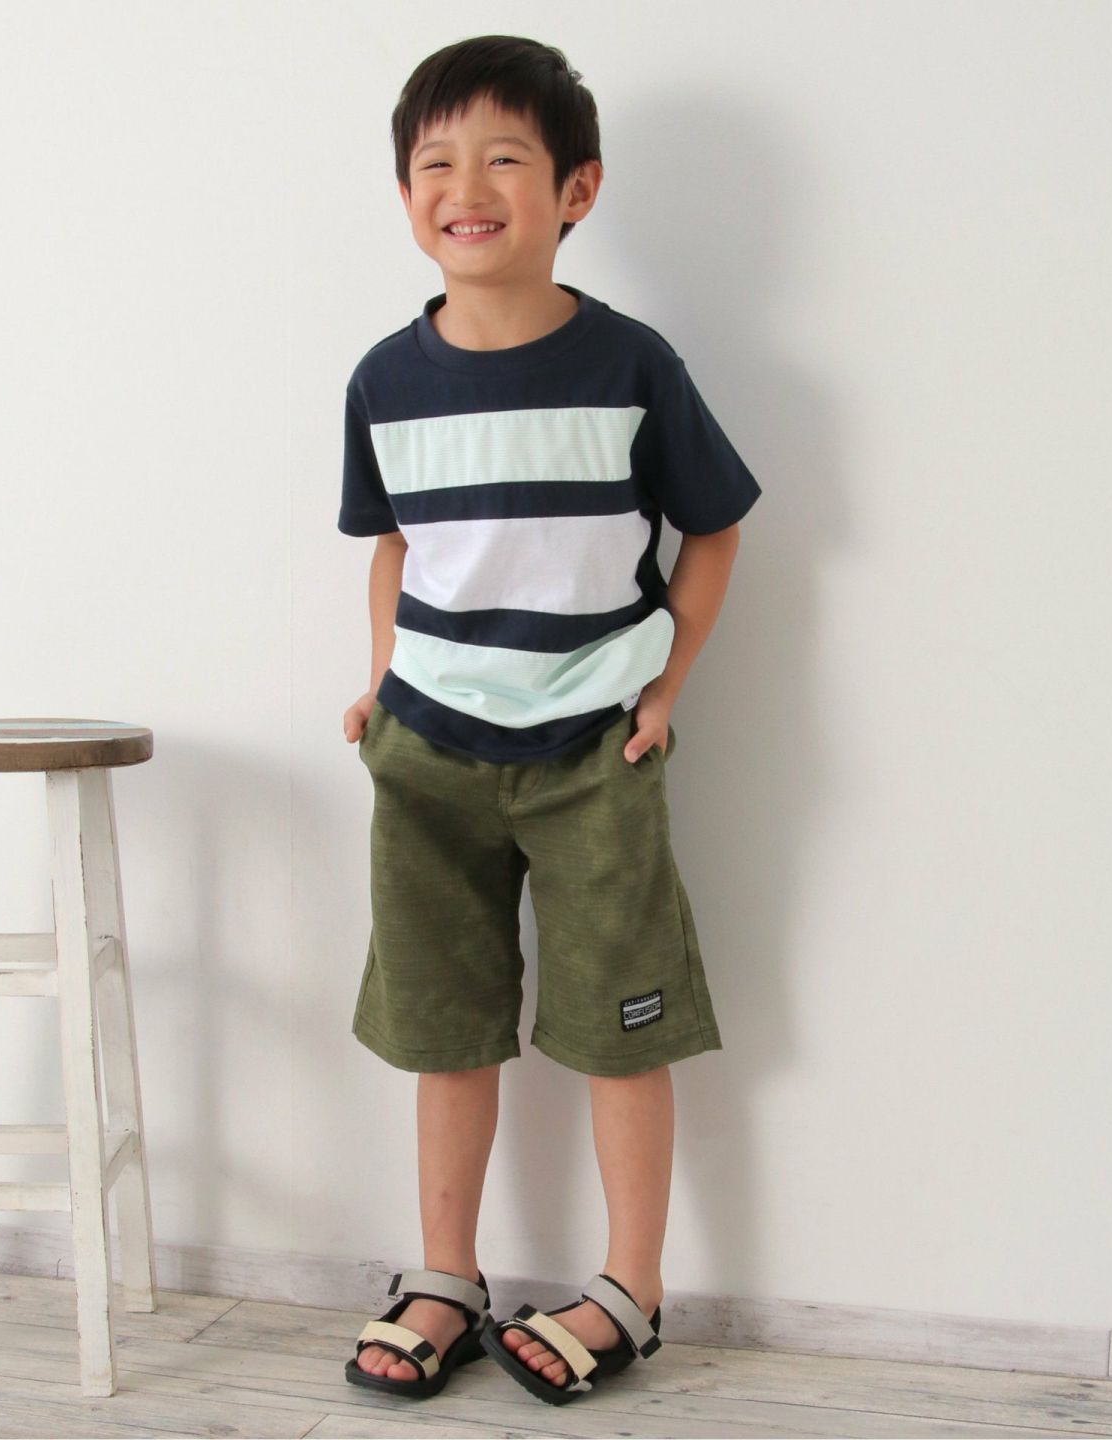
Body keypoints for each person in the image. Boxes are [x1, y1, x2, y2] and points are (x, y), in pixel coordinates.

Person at [338, 35, 762, 1407]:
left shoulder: (631, 363)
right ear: (407, 193)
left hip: (593, 752)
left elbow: (714, 528)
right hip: (426, 752)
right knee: (444, 1022)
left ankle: (630, 1288)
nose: (466, 187)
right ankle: (446, 1279)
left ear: (576, 189)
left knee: (618, 1026)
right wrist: (380, 677)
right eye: (436, 162)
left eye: (504, 158)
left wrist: (666, 687)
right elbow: (397, 547)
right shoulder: (384, 380)